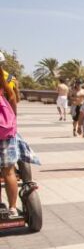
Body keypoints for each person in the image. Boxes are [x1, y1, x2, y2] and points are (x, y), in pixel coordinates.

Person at [0, 53, 41, 215]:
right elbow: (13, 99)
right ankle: (12, 208)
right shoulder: (8, 79)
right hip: (6, 130)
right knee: (9, 172)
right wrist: (12, 124)